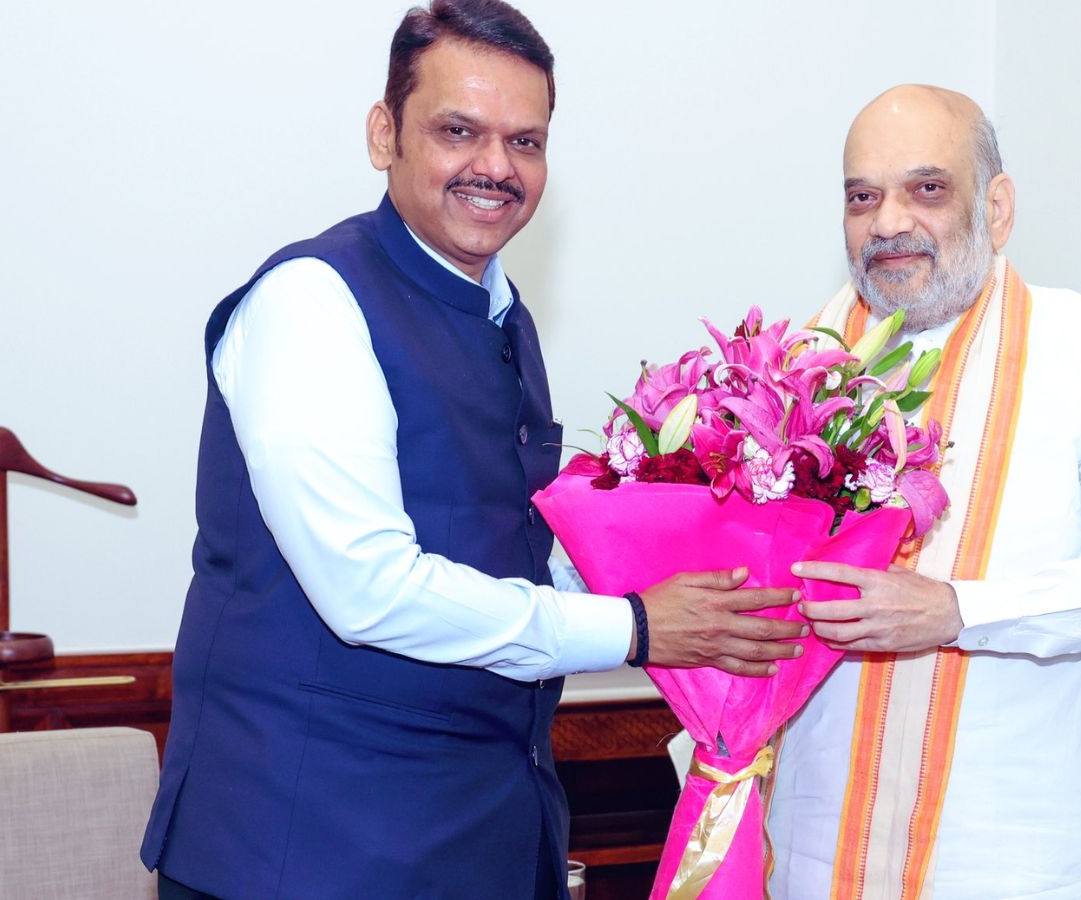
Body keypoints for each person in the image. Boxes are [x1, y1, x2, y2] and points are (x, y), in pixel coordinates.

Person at [139, 3, 803, 898]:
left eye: (525, 142)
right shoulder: (312, 301)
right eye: (459, 131)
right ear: (384, 134)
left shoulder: (502, 315)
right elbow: (369, 589)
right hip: (311, 849)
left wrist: (697, 577)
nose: (496, 167)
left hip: (482, 833)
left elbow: (499, 553)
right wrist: (638, 626)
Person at [764, 85, 1081, 899]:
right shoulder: (797, 369)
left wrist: (959, 611)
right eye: (863, 197)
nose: (889, 221)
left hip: (1023, 862)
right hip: (816, 854)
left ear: (997, 209)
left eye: (926, 188)